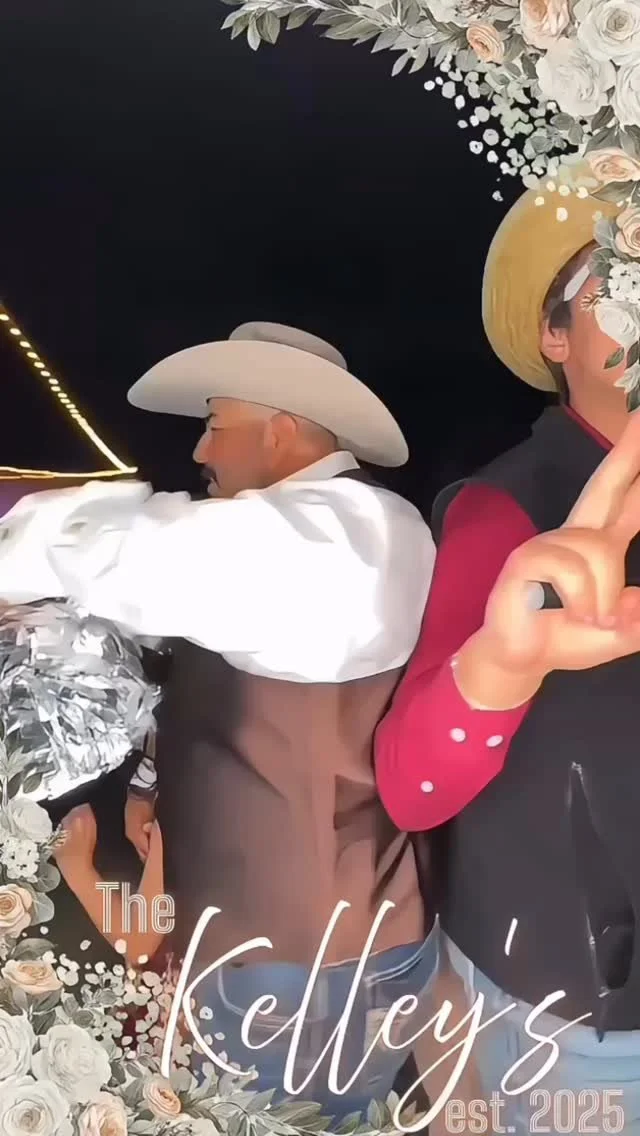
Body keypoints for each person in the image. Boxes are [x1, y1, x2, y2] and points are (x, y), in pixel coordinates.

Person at [0, 322, 438, 1119]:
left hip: (303, 970)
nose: (200, 451)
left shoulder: (356, 532)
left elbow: (156, 559)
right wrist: (151, 786)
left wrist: (19, 538)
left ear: (281, 429)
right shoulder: (302, 534)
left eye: (214, 423)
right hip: (274, 951)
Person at [374, 182, 640, 1130]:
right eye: (618, 282)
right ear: (555, 337)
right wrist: (504, 664)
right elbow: (410, 786)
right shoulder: (504, 510)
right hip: (588, 1019)